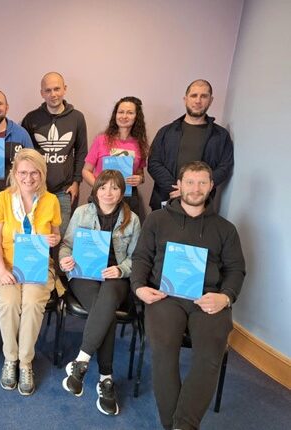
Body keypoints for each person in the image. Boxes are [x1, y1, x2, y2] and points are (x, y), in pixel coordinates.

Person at [131, 161, 245, 430]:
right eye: (190, 182)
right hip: (164, 296)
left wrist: (226, 297)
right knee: (163, 351)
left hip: (208, 300)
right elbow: (141, 258)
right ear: (178, 186)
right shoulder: (157, 220)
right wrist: (138, 287)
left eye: (202, 182)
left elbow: (236, 270)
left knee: (210, 351)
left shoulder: (225, 229)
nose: (196, 188)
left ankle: (184, 425)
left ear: (211, 186)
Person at [59, 170, 141, 416]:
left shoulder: (133, 219)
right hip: (84, 273)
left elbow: (138, 259)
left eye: (115, 188)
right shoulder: (82, 212)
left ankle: (81, 362)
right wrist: (65, 261)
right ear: (95, 190)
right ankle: (106, 378)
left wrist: (121, 269)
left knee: (106, 302)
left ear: (122, 191)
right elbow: (66, 245)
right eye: (103, 187)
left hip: (115, 277)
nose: (108, 193)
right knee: (105, 311)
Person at [0, 148, 62, 396]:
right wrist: (1, 269)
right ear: (14, 174)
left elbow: (56, 234)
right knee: (8, 301)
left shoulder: (51, 200)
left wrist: (54, 239)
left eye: (34, 173)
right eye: (23, 173)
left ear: (42, 174)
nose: (28, 178)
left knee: (31, 301)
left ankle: (26, 361)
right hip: (5, 264)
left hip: (38, 264)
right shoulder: (1, 199)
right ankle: (11, 359)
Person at [147, 79, 234, 211]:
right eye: (194, 95)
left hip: (202, 204)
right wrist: (179, 189)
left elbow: (224, 167)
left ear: (211, 100)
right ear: (185, 99)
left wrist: (195, 189)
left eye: (204, 96)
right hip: (166, 199)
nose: (198, 100)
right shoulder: (166, 131)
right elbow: (154, 163)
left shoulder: (221, 136)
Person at [21, 72, 88, 236]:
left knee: (61, 236)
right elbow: (23, 154)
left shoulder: (77, 118)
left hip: (64, 191)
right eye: (48, 90)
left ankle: (58, 264)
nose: (53, 94)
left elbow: (81, 151)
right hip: (35, 189)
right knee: (36, 236)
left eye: (57, 89)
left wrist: (76, 182)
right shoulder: (31, 118)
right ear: (42, 93)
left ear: (64, 89)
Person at [82, 96, 148, 215]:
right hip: (101, 197)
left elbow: (140, 172)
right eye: (121, 112)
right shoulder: (101, 140)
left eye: (130, 113)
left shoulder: (139, 144)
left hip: (128, 198)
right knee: (99, 233)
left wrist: (140, 178)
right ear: (115, 115)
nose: (124, 116)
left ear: (136, 117)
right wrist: (101, 188)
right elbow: (86, 171)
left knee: (125, 232)